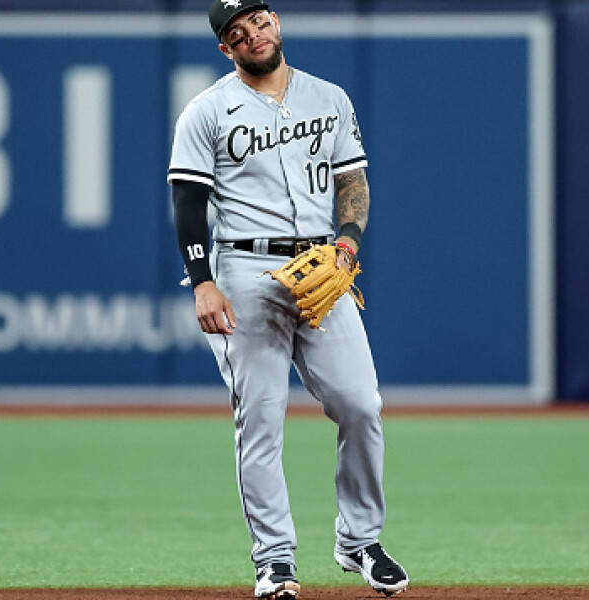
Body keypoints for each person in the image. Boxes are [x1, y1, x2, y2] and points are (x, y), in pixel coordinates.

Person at [166, 1, 409, 597]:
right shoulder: (207, 111)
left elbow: (352, 182)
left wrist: (348, 246)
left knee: (360, 403)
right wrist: (202, 281)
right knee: (263, 417)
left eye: (259, 20)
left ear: (276, 21)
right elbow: (188, 201)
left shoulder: (329, 98)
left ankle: (360, 541)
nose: (253, 33)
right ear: (226, 48)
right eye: (237, 31)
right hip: (245, 267)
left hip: (323, 261)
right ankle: (274, 559)